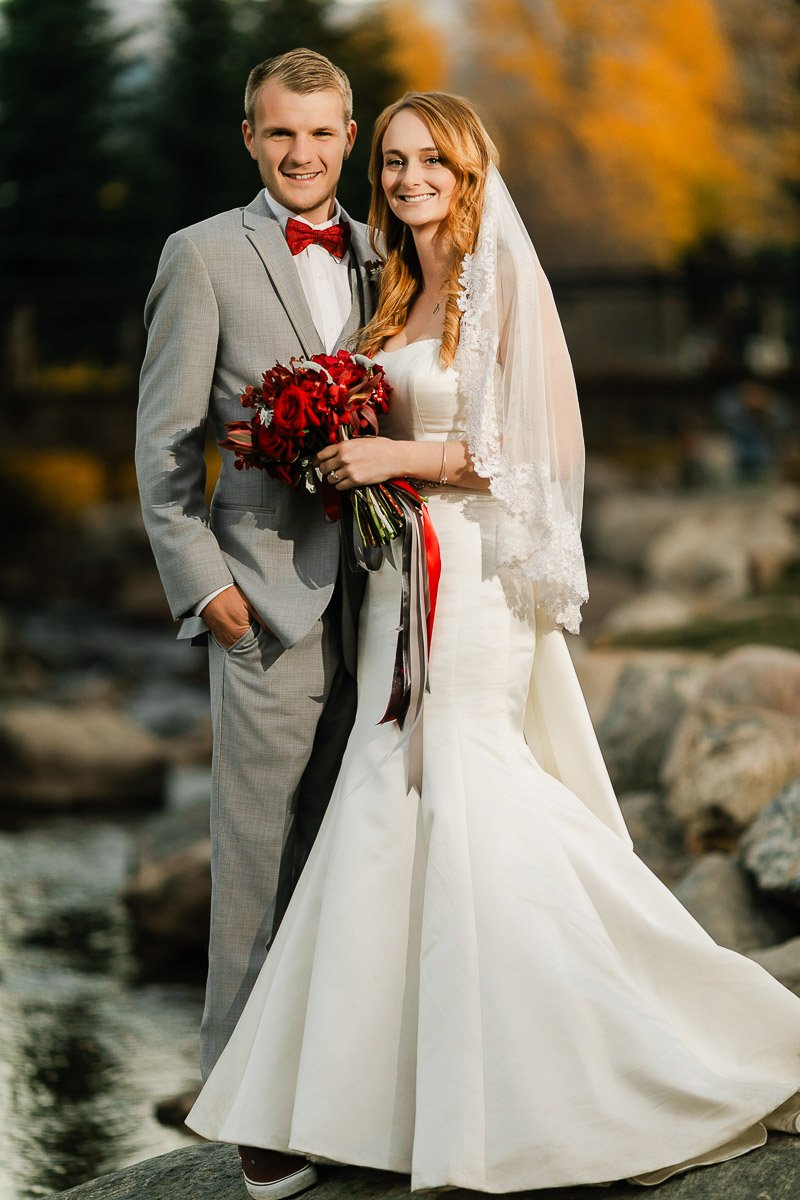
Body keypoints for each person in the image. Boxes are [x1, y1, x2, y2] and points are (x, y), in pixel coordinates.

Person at [185, 92, 800, 1198]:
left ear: (469, 170)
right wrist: (308, 440)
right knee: (390, 795)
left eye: (431, 158)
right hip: (390, 580)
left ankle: (628, 1052)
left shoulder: (499, 278)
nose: (408, 175)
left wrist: (395, 459)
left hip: (469, 576)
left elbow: (535, 448)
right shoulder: (393, 286)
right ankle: (374, 1099)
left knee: (459, 783)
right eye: (393, 159)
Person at [135, 45, 377, 1167]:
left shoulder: (388, 254)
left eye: (321, 133)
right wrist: (208, 587)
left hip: (388, 606)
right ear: (250, 137)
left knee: (354, 849)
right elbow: (164, 447)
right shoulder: (200, 256)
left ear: (349, 137)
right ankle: (242, 1108)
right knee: (254, 857)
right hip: (264, 604)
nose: (301, 153)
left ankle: (341, 1085)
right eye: (281, 131)